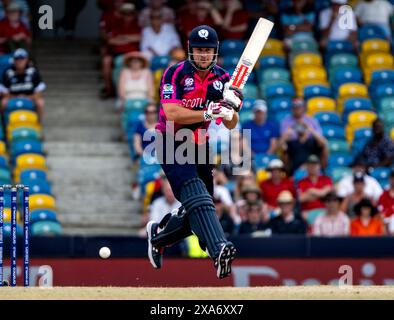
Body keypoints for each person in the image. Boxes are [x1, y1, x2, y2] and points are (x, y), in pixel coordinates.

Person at [146, 25, 244, 279]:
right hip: (170, 139)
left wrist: (230, 108)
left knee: (200, 209)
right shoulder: (175, 73)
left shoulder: (224, 80)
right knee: (198, 197)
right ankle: (219, 249)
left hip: (200, 143)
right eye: (199, 50)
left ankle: (159, 236)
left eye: (208, 51)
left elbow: (232, 123)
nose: (203, 55)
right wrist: (209, 112)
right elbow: (172, 113)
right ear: (191, 51)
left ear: (215, 53)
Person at [101, 3, 141, 98]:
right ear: (122, 14)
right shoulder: (116, 24)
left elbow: (139, 38)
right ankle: (109, 89)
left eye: (130, 14)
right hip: (116, 53)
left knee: (120, 63)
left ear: (134, 14)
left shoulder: (137, 24)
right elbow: (110, 40)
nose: (127, 16)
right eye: (125, 13)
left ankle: (121, 92)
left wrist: (123, 37)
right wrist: (129, 39)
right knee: (107, 61)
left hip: (133, 54)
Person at [279, 98, 327, 174]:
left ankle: (321, 169)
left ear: (303, 108)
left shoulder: (311, 121)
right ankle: (290, 173)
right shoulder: (285, 122)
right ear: (292, 108)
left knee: (323, 147)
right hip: (294, 150)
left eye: (299, 107)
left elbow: (322, 142)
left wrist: (309, 129)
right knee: (284, 148)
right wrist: (289, 132)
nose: (297, 109)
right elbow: (281, 144)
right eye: (295, 107)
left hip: (311, 148)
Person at [0, 48, 45, 119]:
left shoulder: (33, 72)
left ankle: (38, 123)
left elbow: (38, 92)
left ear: (26, 60)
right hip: (12, 98)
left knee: (40, 102)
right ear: (13, 60)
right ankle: (4, 124)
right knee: (3, 102)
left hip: (30, 97)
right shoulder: (7, 72)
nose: (19, 61)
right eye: (17, 59)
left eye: (22, 59)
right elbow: (4, 93)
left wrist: (27, 97)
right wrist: (16, 97)